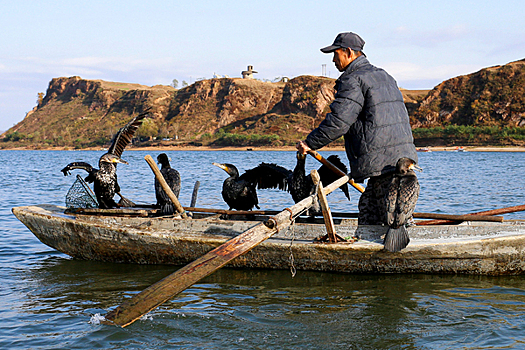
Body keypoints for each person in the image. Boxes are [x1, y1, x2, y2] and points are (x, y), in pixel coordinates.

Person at [296, 32, 418, 227]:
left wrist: (309, 143)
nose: (334, 60)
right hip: (400, 159)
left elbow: (339, 121)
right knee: (381, 214)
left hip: (382, 163)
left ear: (349, 52)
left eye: (336, 54)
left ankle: (385, 251)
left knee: (375, 219)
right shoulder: (385, 76)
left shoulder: (353, 79)